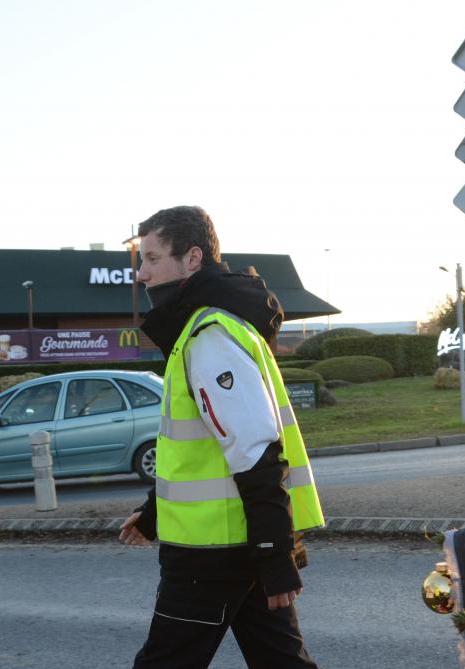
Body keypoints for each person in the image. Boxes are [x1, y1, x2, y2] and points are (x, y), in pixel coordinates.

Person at [119, 205, 325, 668]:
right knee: (282, 662)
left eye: (152, 259)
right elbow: (205, 448)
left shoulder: (208, 335)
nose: (141, 273)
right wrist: (154, 511)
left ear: (192, 258)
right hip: (237, 539)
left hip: (212, 552)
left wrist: (275, 552)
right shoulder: (208, 328)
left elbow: (255, 447)